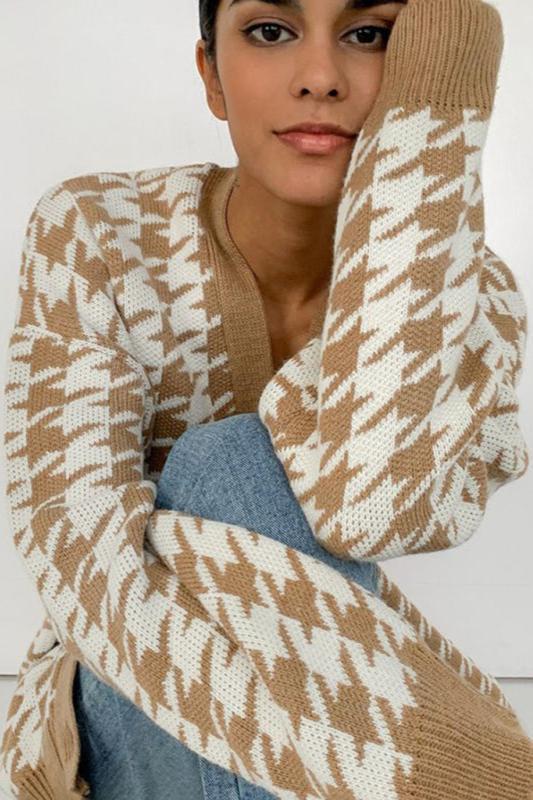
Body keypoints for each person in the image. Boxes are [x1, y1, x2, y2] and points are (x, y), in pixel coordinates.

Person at [2, 1, 531, 799]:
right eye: (270, 31)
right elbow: (80, 561)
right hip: (117, 702)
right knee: (232, 461)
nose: (319, 78)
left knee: (233, 463)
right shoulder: (97, 233)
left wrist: (431, 127)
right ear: (211, 76)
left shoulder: (468, 298)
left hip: (332, 712)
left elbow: (373, 510)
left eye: (369, 35)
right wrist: (398, 758)